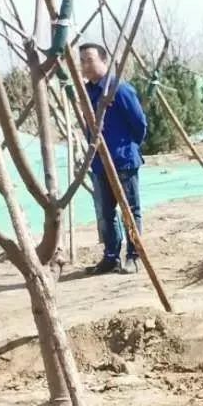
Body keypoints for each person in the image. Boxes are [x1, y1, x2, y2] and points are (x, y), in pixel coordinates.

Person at [79, 43, 148, 275]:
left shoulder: (119, 89)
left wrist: (126, 147)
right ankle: (111, 257)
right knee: (106, 213)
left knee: (130, 210)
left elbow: (139, 124)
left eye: (89, 59)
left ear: (103, 61)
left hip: (123, 161)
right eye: (82, 61)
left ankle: (133, 256)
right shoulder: (88, 92)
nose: (85, 65)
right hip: (99, 163)